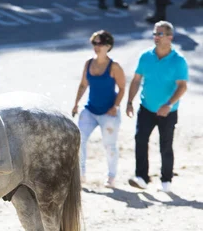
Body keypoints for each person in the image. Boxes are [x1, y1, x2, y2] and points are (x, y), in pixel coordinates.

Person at [126, 21, 188, 193]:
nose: (156, 37)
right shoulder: (145, 56)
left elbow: (182, 86)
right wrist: (130, 101)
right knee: (140, 139)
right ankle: (141, 177)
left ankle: (166, 180)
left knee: (165, 145)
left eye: (160, 34)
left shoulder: (178, 61)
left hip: (168, 111)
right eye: (155, 34)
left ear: (170, 37)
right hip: (146, 107)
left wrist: (168, 104)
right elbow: (137, 79)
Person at [72, 31, 126, 188]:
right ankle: (81, 175)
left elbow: (122, 88)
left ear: (108, 46)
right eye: (94, 43)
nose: (96, 47)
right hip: (90, 109)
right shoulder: (89, 63)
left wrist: (115, 106)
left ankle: (111, 177)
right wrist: (76, 103)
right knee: (79, 140)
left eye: (100, 44)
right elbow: (83, 84)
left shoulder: (114, 66)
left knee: (110, 145)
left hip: (109, 112)